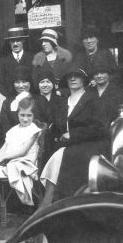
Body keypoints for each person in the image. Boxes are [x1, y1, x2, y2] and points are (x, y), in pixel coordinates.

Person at [39, 66, 107, 208]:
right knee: (56, 155)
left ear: (84, 80)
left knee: (59, 157)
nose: (73, 79)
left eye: (77, 76)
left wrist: (73, 134)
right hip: (68, 147)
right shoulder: (63, 102)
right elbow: (57, 127)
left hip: (90, 146)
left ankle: (47, 205)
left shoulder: (93, 99)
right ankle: (50, 204)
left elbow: (100, 128)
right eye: (69, 77)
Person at [0, 97, 43, 234]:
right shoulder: (13, 131)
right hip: (10, 161)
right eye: (22, 115)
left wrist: (3, 157)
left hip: (24, 163)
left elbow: (23, 151)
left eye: (29, 115)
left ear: (34, 116)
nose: (25, 119)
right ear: (17, 115)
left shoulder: (34, 130)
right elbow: (4, 149)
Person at [0, 27, 33, 97]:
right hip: (10, 99)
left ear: (23, 41)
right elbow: (1, 84)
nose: (15, 44)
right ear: (9, 42)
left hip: (29, 99)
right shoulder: (3, 61)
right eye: (12, 41)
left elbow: (34, 81)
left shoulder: (31, 58)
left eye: (18, 40)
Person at [88, 63, 123, 129]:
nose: (99, 76)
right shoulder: (89, 92)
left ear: (108, 74)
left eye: (102, 73)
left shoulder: (117, 92)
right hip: (92, 131)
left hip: (112, 129)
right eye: (96, 74)